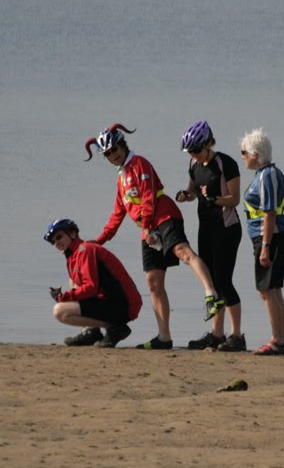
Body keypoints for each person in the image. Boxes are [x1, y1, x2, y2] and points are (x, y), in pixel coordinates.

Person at [85, 124, 225, 350]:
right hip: (148, 230)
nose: (113, 155)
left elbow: (149, 196)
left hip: (164, 217)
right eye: (108, 154)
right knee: (153, 283)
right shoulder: (121, 179)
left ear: (122, 144)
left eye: (115, 149)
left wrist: (149, 226)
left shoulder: (139, 163)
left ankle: (211, 295)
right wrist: (100, 240)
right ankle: (164, 337)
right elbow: (117, 214)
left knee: (183, 253)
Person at [175, 120, 245, 352]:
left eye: (196, 150)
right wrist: (186, 195)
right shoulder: (194, 165)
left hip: (227, 228)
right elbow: (194, 191)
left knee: (224, 281)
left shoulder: (226, 163)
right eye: (190, 152)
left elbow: (234, 199)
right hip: (205, 227)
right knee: (213, 284)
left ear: (208, 143)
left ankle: (237, 336)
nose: (193, 155)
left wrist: (213, 200)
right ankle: (217, 334)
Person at [44, 218, 142, 348]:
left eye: (59, 237)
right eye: (53, 241)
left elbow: (91, 288)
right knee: (73, 281)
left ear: (73, 234)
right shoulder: (73, 255)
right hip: (113, 301)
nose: (56, 243)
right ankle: (91, 332)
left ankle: (115, 328)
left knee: (59, 311)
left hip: (124, 305)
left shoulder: (85, 250)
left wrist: (63, 297)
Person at [240, 128, 284, 355]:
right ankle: (280, 339)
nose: (242, 157)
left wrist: (266, 247)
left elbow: (269, 212)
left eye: (244, 153)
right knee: (272, 290)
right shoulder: (264, 174)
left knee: (268, 290)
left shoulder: (267, 175)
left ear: (254, 154)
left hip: (271, 237)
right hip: (269, 238)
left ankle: (278, 340)